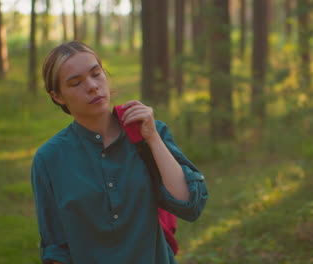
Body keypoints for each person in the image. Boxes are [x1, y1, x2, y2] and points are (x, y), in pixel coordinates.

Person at [31, 41, 208, 264]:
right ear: (57, 96)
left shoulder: (148, 132)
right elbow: (55, 248)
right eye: (76, 83)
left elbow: (190, 204)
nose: (92, 86)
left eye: (96, 74)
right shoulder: (49, 159)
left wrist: (152, 138)